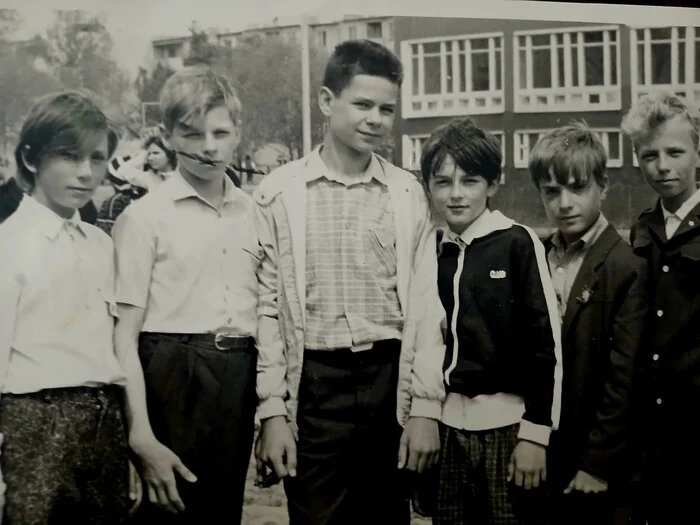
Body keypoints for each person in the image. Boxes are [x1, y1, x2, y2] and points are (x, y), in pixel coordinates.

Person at [254, 39, 446, 525]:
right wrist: (273, 410)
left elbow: (427, 308)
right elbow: (268, 309)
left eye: (387, 109)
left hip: (388, 382)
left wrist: (424, 407)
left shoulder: (407, 194)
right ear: (327, 101)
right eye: (362, 105)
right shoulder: (280, 194)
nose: (375, 119)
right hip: (316, 385)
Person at [112, 65, 258, 524]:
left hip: (237, 374)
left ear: (237, 133)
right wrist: (140, 432)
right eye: (192, 134)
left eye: (220, 133)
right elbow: (124, 337)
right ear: (169, 135)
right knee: (170, 512)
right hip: (173, 375)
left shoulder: (255, 212)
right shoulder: (143, 218)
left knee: (222, 512)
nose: (208, 147)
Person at [419, 117, 561, 525]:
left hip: (508, 427)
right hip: (448, 428)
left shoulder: (517, 242)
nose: (456, 193)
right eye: (443, 182)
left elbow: (546, 343)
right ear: (428, 186)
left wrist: (536, 432)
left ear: (493, 184)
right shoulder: (433, 250)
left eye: (470, 181)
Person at [0, 90, 129, 522]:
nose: (86, 173)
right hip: (33, 426)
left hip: (103, 425)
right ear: (31, 158)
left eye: (97, 158)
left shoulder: (100, 245)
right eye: (69, 157)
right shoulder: (9, 245)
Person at [530, 123, 646, 525]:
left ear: (603, 185)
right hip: (539, 452)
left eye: (578, 188)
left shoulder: (625, 266)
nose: (564, 203)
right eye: (551, 191)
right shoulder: (535, 255)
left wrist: (598, 463)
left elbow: (624, 378)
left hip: (594, 463)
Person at [622, 91, 700, 525]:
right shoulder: (643, 227)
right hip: (650, 426)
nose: (663, 166)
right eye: (649, 155)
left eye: (675, 152)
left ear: (697, 153)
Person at [97, 135, 177, 235]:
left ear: (169, 154)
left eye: (156, 153)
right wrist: (143, 154)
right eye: (149, 154)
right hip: (157, 228)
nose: (150, 157)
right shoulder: (150, 177)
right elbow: (124, 171)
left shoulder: (181, 176)